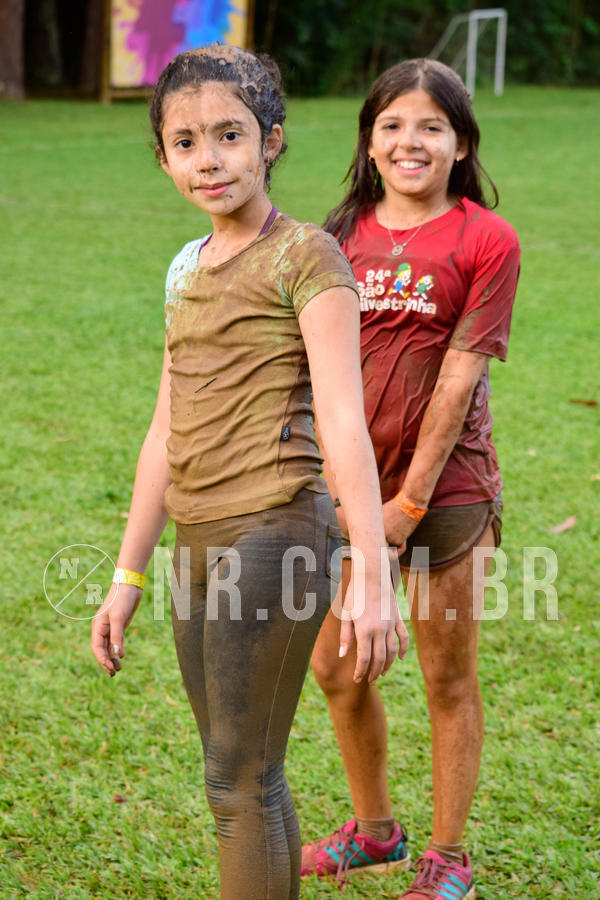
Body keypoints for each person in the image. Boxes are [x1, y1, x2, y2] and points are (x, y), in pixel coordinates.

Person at [90, 45, 409, 900]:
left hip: (279, 525)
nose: (209, 159)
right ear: (163, 157)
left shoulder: (308, 258)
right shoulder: (184, 269)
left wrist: (372, 572)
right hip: (195, 535)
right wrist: (127, 574)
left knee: (240, 778)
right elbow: (165, 425)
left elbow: (345, 422)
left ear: (270, 140)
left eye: (229, 135)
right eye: (186, 142)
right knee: (240, 774)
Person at [301, 59, 520, 900]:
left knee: (445, 675)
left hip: (446, 492)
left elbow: (460, 379)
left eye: (431, 125)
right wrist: (354, 499)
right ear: (369, 139)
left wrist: (410, 503)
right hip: (353, 483)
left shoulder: (485, 239)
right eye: (392, 124)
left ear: (461, 143)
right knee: (336, 665)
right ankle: (376, 831)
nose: (409, 140)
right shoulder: (340, 232)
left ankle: (448, 858)